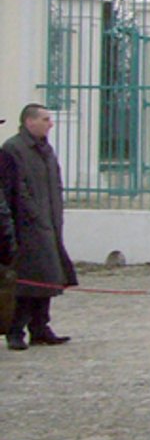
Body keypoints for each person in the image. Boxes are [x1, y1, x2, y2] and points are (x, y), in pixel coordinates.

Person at [3, 104, 74, 349]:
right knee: (27, 281)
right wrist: (34, 215)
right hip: (28, 227)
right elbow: (17, 190)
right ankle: (16, 330)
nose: (50, 123)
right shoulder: (13, 149)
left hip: (49, 224)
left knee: (49, 277)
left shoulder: (46, 150)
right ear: (29, 122)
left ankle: (40, 326)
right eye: (45, 119)